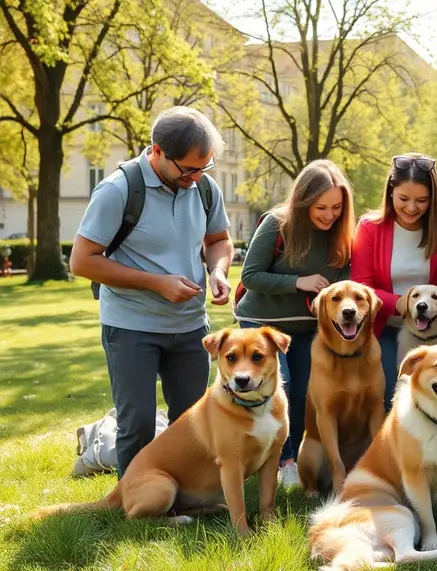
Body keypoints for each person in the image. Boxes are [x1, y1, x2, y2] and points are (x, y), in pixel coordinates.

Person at [70, 106, 233, 479]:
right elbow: (81, 261)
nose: (196, 177)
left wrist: (217, 271)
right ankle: (133, 505)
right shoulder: (118, 189)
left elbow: (219, 240)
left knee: (192, 422)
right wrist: (157, 282)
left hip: (190, 325)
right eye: (188, 168)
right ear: (157, 151)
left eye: (203, 167)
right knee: (139, 422)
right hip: (131, 324)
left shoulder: (204, 187)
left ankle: (190, 497)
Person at [234, 159, 355, 487]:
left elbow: (343, 281)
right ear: (303, 202)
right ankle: (283, 462)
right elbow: (250, 275)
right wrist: (297, 282)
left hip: (306, 328)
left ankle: (291, 457)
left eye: (336, 207)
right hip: (262, 324)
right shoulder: (277, 224)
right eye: (321, 207)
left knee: (303, 394)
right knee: (278, 388)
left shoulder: (342, 236)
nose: (330, 215)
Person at [351, 153, 437, 409]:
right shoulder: (369, 227)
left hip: (434, 330)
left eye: (422, 200)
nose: (411, 208)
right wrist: (403, 304)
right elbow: (362, 287)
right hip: (385, 329)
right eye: (403, 199)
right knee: (391, 397)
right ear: (390, 193)